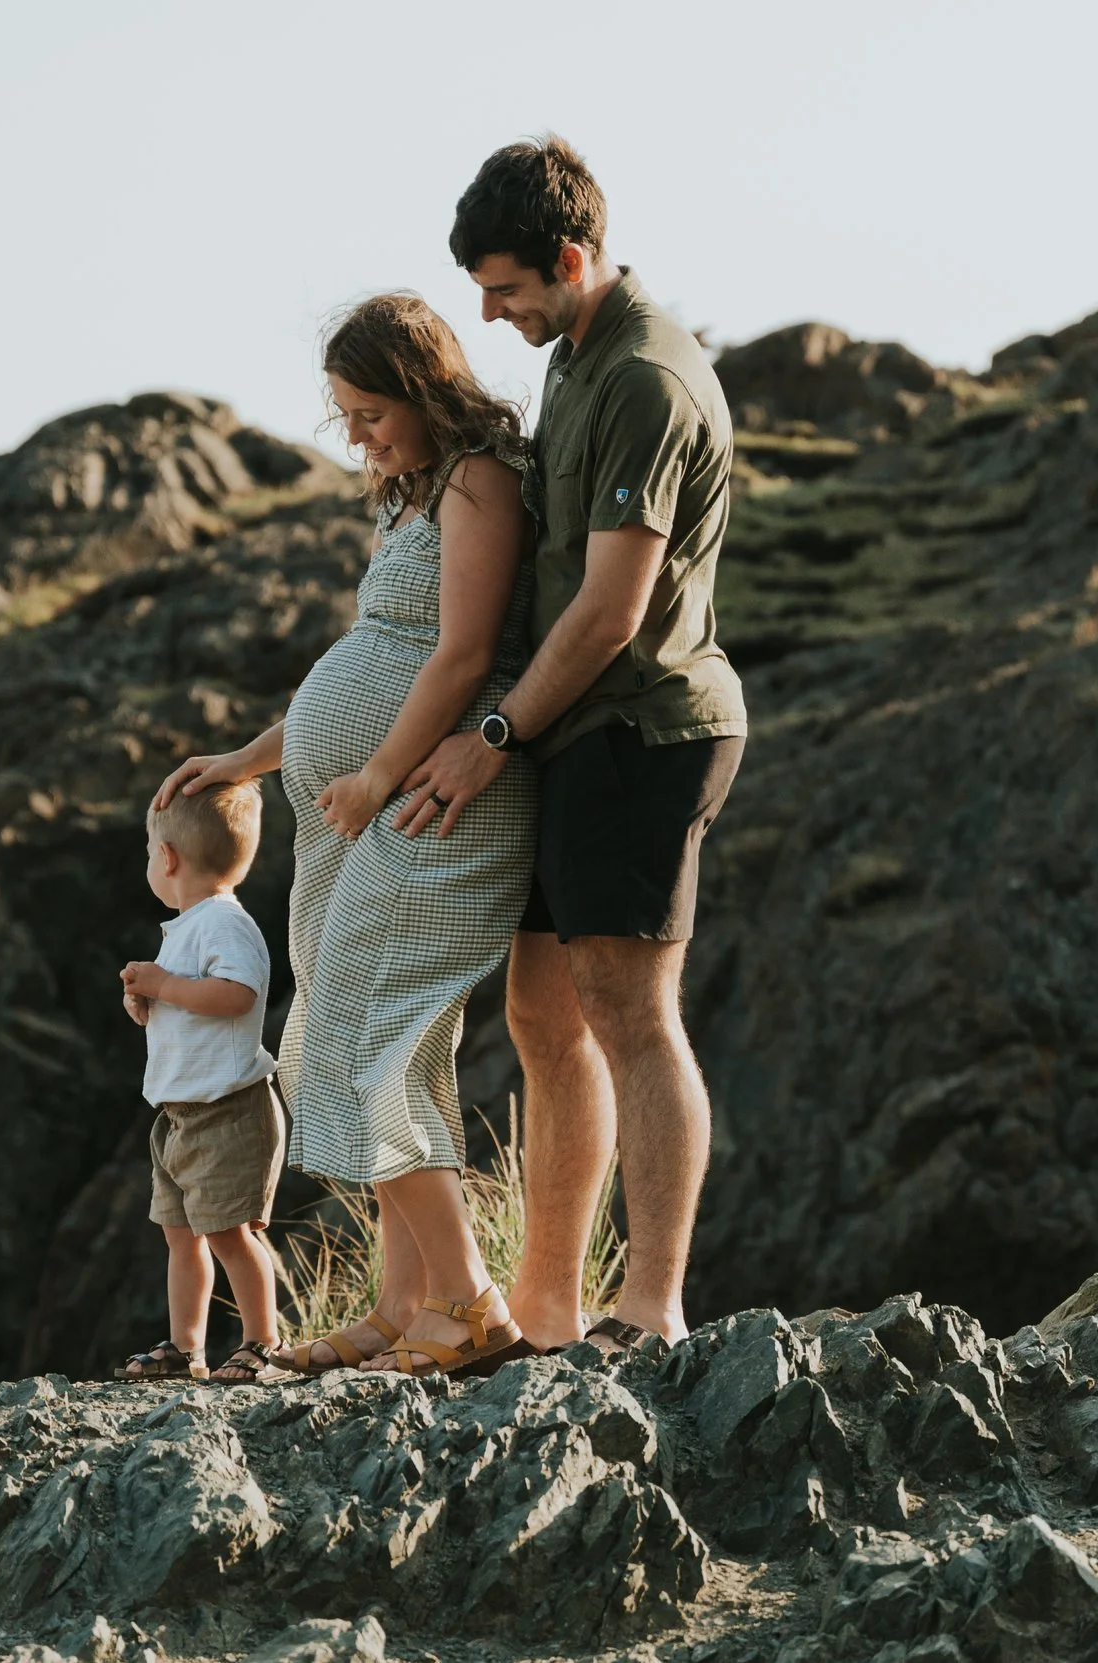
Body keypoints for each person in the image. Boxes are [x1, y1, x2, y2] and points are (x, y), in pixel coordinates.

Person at [393, 135, 747, 1357]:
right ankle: (546, 1307)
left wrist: (489, 734)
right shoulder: (580, 360)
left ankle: (650, 1302)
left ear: (570, 258)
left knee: (629, 1008)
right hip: (572, 735)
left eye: (503, 289)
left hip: (643, 728)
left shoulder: (645, 374)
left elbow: (611, 608)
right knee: (542, 1015)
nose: (489, 315)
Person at [153, 294, 538, 1378]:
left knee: (363, 1043)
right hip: (369, 806)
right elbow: (373, 653)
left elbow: (459, 656)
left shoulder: (480, 480)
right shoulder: (412, 496)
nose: (358, 434)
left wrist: (372, 771)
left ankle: (467, 1305)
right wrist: (249, 759)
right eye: (345, 415)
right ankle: (400, 1306)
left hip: (428, 796)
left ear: (424, 388)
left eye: (372, 410)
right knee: (353, 1038)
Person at [112, 780, 285, 1384]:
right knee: (181, 1236)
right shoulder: (190, 927)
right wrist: (150, 1004)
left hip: (229, 1110)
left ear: (168, 858)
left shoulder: (224, 923)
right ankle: (187, 1348)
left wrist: (164, 987)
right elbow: (195, 1005)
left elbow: (237, 996)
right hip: (179, 1115)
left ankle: (264, 1341)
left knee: (230, 1235)